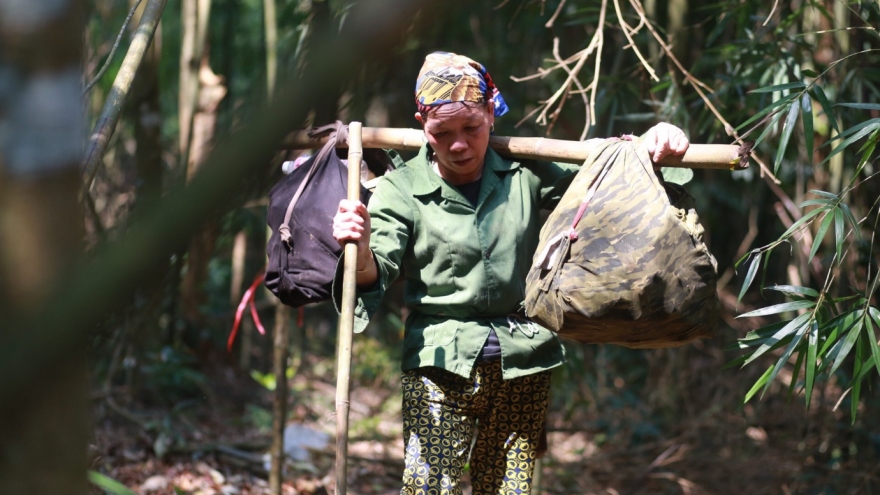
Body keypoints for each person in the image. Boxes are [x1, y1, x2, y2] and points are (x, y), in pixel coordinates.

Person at [332, 51, 688, 495]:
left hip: (524, 360)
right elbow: (370, 274)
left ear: (490, 115)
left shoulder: (525, 169)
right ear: (423, 126)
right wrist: (359, 245)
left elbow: (610, 180)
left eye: (471, 128)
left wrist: (655, 146)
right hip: (439, 364)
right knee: (427, 488)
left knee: (506, 490)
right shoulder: (401, 189)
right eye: (442, 133)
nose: (458, 145)